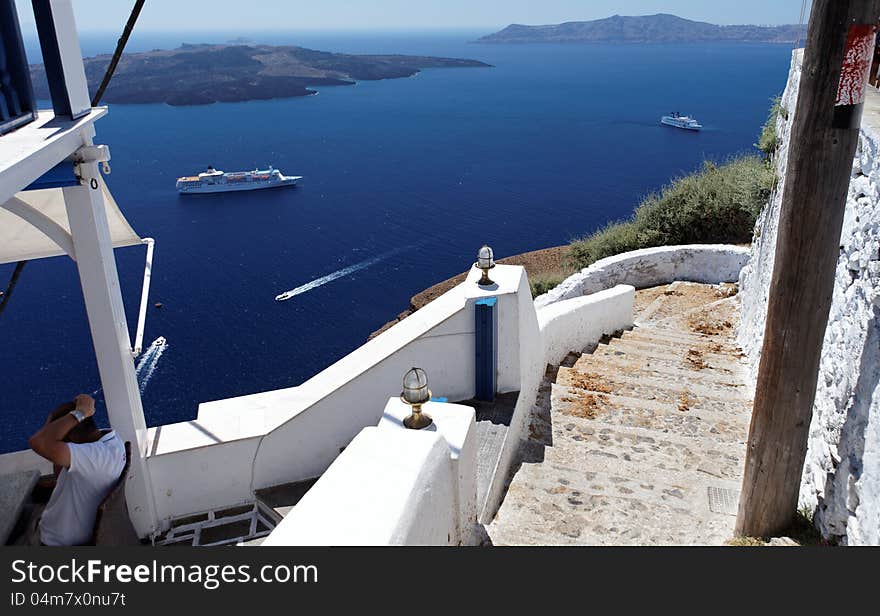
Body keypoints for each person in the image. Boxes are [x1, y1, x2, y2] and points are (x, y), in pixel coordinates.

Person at [28, 394, 126, 546]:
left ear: (71, 438)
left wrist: (81, 412)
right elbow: (59, 471)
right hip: (76, 529)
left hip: (54, 542)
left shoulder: (92, 457)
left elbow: (38, 442)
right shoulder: (112, 443)